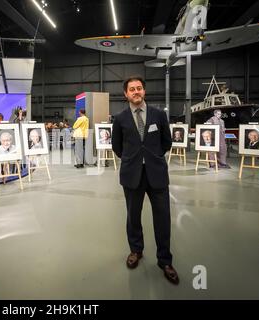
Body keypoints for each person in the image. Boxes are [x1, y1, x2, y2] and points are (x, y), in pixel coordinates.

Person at [112, 76, 179, 285]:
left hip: (157, 174)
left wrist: (153, 157)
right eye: (131, 89)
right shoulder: (120, 118)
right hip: (132, 175)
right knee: (133, 217)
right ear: (126, 94)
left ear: (144, 91)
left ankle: (165, 260)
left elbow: (167, 142)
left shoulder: (159, 115)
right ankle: (136, 250)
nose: (136, 92)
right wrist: (134, 159)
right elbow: (117, 147)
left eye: (139, 88)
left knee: (163, 218)